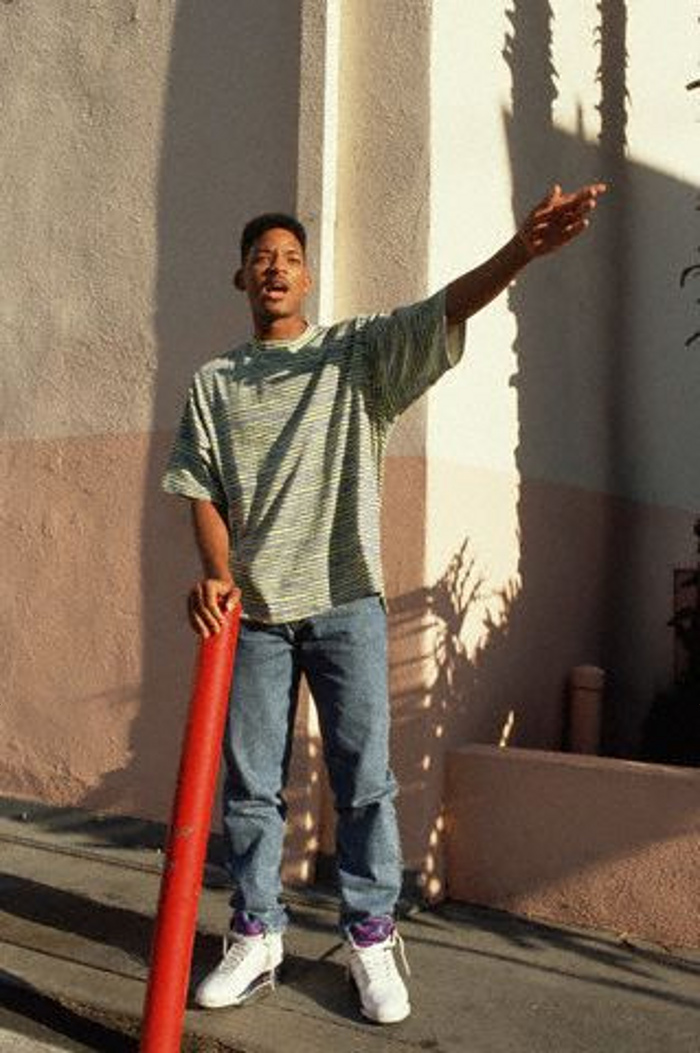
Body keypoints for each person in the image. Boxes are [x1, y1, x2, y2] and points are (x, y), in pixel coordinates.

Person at [162, 182, 606, 1024]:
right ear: (241, 279)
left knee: (364, 781)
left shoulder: (357, 357)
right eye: (262, 259)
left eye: (291, 258)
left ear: (308, 279)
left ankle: (371, 936)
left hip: (345, 604)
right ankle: (257, 934)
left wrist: (521, 252)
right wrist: (217, 569)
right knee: (251, 786)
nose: (276, 270)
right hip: (253, 616)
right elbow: (201, 487)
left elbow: (445, 306)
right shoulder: (215, 380)